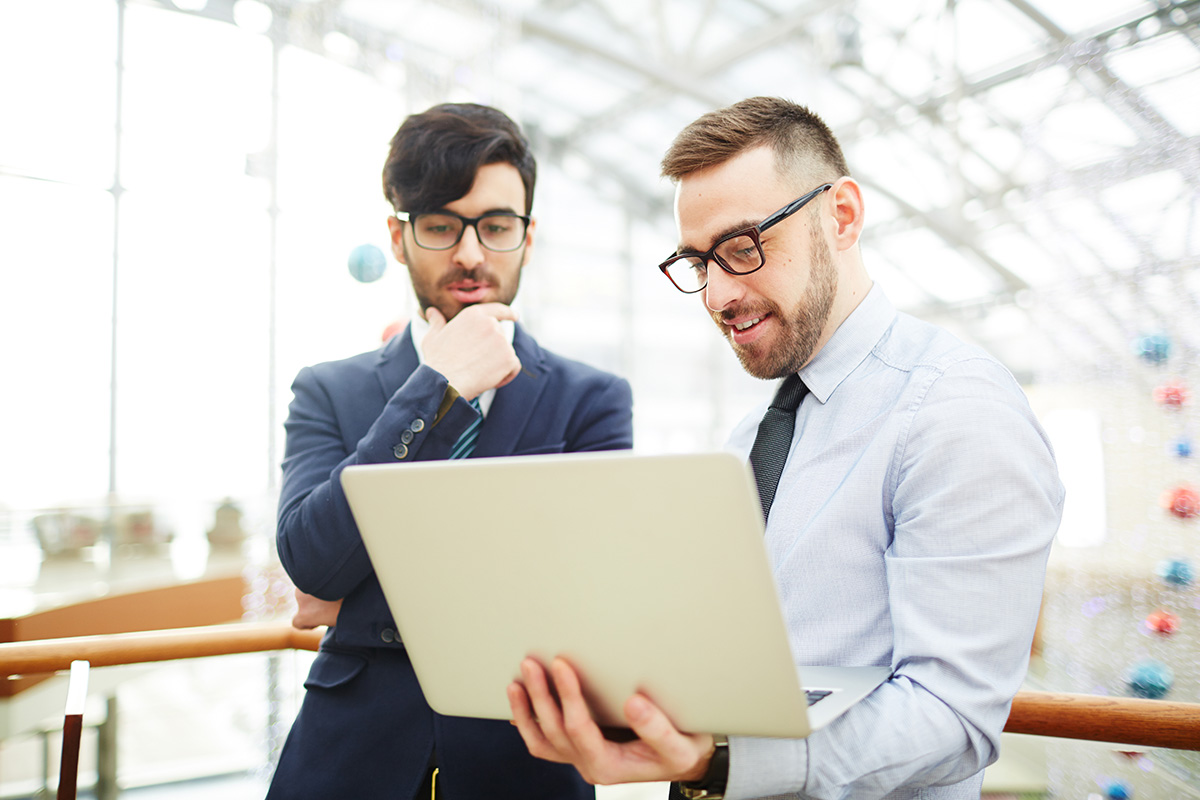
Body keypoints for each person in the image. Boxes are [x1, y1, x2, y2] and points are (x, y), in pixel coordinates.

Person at [507, 96, 1064, 799]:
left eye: (743, 247)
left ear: (843, 216)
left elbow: (953, 717)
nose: (717, 295)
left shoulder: (956, 412)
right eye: (697, 261)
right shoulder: (753, 439)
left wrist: (717, 761)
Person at [268, 102, 634, 800]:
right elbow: (312, 559)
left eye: (496, 227)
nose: (470, 254)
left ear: (529, 238)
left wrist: (362, 605)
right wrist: (436, 388)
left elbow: (589, 601)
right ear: (399, 238)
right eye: (441, 226)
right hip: (349, 761)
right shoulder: (327, 389)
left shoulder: (593, 399)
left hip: (523, 763)